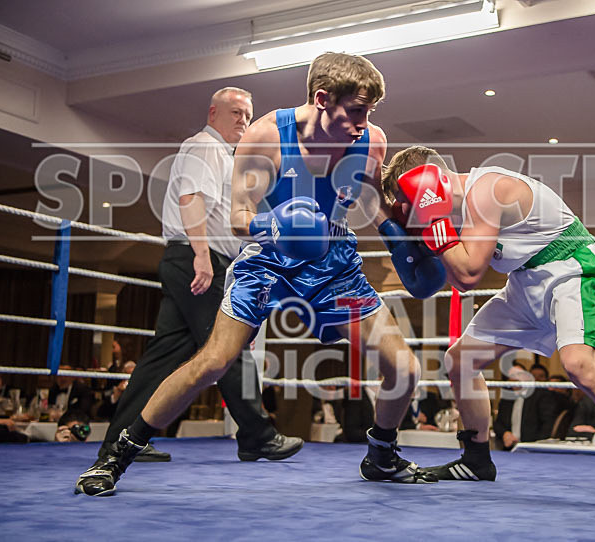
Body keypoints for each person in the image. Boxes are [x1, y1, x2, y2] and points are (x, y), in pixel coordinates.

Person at [76, 54, 443, 497]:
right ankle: (117, 455)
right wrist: (281, 225)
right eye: (358, 110)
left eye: (370, 111)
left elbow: (364, 197)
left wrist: (399, 241)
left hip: (334, 264)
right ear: (322, 99)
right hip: (269, 259)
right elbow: (236, 217)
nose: (365, 123)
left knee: (403, 367)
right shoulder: (267, 135)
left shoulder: (372, 140)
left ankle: (381, 455)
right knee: (212, 363)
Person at [381, 146, 595, 508]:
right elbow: (453, 277)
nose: (412, 211)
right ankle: (476, 459)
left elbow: (468, 275)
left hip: (571, 268)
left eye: (410, 199)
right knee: (460, 361)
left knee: (581, 366)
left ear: (427, 183)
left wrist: (433, 228)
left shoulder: (486, 191)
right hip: (524, 282)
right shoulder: (457, 216)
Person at [75, 86, 303, 490]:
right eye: (235, 112)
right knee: (227, 345)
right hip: (197, 258)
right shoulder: (203, 146)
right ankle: (257, 435)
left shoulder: (225, 155)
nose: (243, 121)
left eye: (248, 115)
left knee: (163, 357)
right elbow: (190, 197)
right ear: (213, 112)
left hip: (197, 260)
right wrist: (201, 254)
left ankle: (124, 437)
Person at [493, 365, 563, 449]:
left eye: (518, 375)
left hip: (533, 449)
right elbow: (498, 423)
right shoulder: (507, 399)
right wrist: (505, 433)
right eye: (511, 376)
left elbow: (548, 425)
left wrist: (535, 446)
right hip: (510, 449)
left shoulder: (541, 395)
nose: (515, 379)